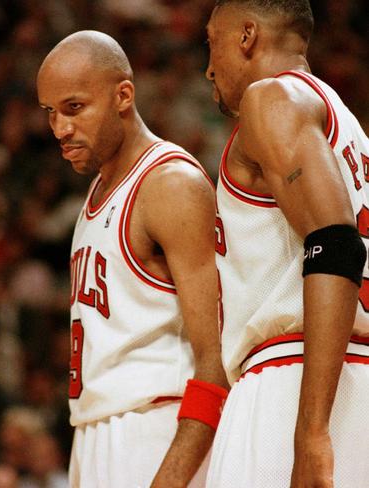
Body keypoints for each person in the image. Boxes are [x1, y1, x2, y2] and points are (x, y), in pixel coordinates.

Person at [36, 30, 229, 488]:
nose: (60, 128)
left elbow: (216, 358)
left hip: (155, 428)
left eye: (74, 108)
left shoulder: (169, 185)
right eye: (50, 113)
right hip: (96, 428)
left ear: (123, 94)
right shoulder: (99, 188)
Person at [204, 1, 369, 486]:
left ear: (247, 36)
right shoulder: (350, 128)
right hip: (352, 373)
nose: (208, 66)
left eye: (212, 41)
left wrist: (311, 431)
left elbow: (335, 242)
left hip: (294, 381)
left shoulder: (270, 99)